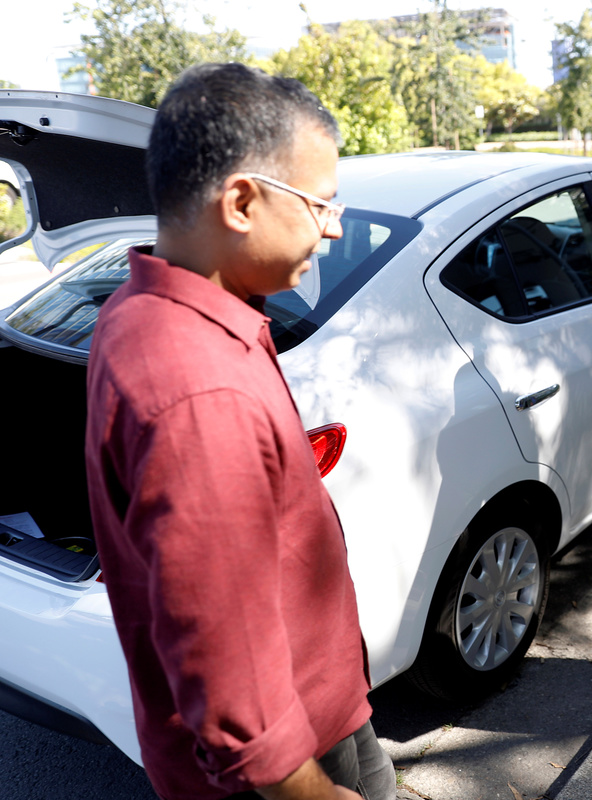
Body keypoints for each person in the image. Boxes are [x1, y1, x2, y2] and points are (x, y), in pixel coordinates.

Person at [84, 63, 395, 800]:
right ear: (243, 202)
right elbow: (226, 665)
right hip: (292, 764)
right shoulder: (198, 386)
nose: (334, 225)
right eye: (320, 203)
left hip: (312, 712)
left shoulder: (145, 309)